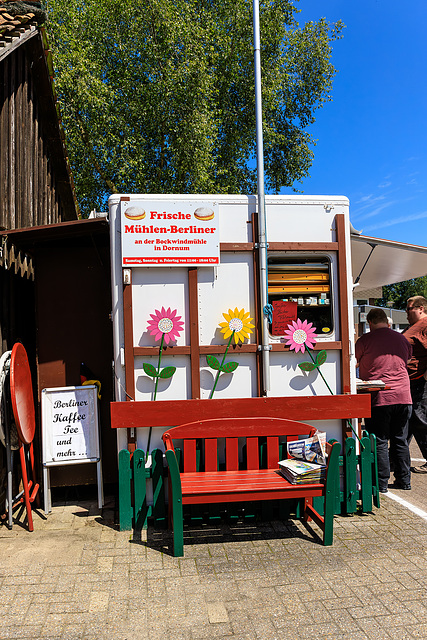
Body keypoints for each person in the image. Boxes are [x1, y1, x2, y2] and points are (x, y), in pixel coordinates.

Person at [356, 308, 412, 492]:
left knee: (379, 440)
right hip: (404, 396)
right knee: (400, 439)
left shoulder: (365, 340)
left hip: (379, 396)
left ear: (370, 322)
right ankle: (404, 481)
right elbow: (408, 358)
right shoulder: (402, 338)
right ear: (387, 322)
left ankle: (381, 484)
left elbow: (352, 362)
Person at [403, 296, 427, 473]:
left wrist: (425, 376)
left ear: (420, 308)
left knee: (420, 420)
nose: (406, 312)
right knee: (407, 421)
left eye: (409, 308)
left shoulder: (425, 325)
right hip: (409, 381)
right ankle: (396, 459)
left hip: (419, 382)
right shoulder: (413, 327)